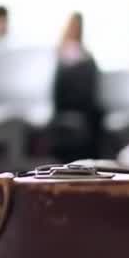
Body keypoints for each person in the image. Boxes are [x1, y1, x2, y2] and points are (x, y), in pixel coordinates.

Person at [49, 12, 103, 161]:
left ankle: (92, 160)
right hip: (65, 104)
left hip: (85, 106)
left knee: (98, 115)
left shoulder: (86, 55)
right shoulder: (59, 53)